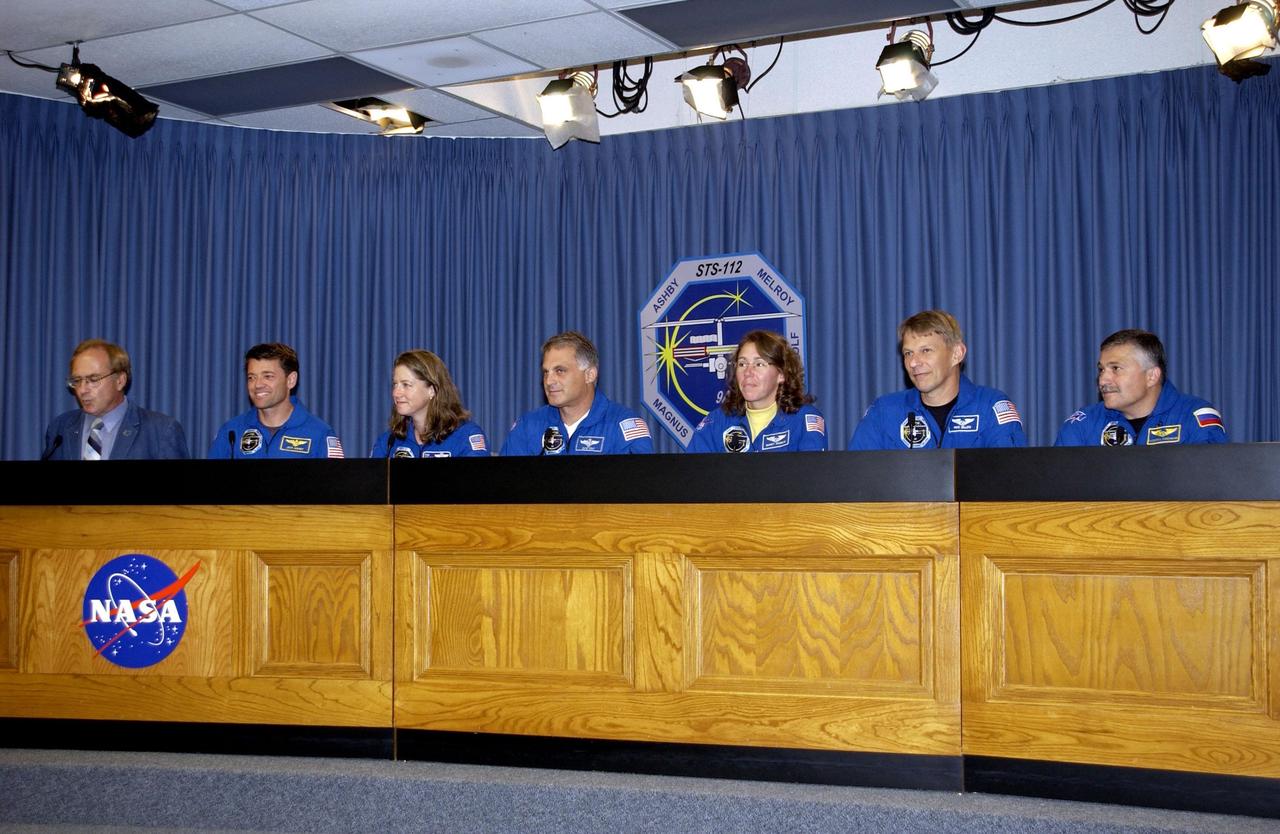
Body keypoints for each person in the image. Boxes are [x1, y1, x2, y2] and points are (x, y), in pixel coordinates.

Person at [850, 310, 1026, 450]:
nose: (913, 362)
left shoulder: (990, 408)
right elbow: (856, 480)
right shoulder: (884, 412)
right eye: (908, 353)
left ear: (957, 354)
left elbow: (1012, 481)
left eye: (926, 350)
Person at [1055, 329, 1227, 446]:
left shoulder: (1193, 417)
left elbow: (1214, 485)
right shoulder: (1083, 423)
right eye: (1101, 370)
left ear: (1151, 376)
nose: (1103, 380)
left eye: (1116, 368)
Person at [500, 331, 653, 455]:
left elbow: (642, 488)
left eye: (560, 371)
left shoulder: (623, 426)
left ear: (590, 375)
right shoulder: (528, 426)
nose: (549, 381)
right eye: (546, 372)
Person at [42, 339, 189, 460]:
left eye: (93, 379)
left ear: (120, 380)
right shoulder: (60, 428)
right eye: (77, 380)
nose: (82, 390)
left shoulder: (161, 431)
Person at [688, 330, 827, 453]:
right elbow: (690, 477)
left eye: (759, 364)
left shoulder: (803, 420)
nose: (748, 372)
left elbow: (812, 478)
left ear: (782, 374)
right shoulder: (716, 423)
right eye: (742, 364)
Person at [208, 342, 344, 458]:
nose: (257, 385)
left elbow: (337, 486)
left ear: (291, 380)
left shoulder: (320, 433)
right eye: (251, 377)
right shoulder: (232, 432)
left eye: (268, 376)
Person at [369, 350, 489, 457]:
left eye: (406, 385)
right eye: (395, 384)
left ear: (432, 390)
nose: (396, 393)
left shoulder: (466, 436)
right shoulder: (389, 441)